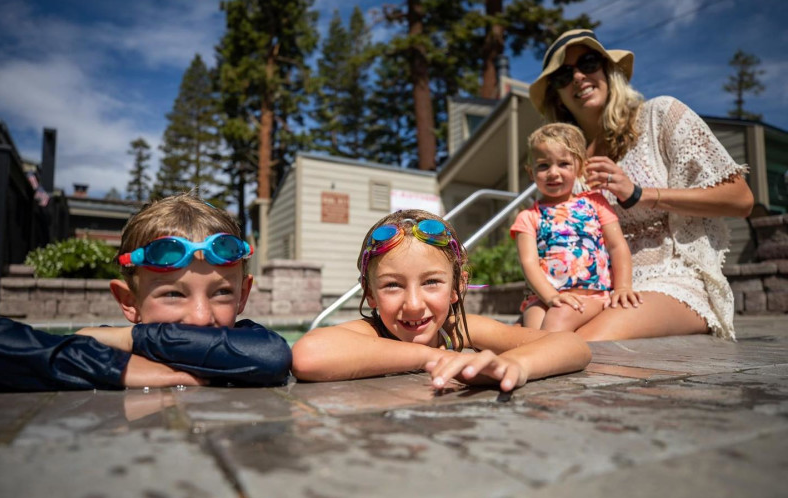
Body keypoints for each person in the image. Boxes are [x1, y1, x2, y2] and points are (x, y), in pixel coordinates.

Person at [527, 29, 754, 341]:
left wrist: (639, 194)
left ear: (608, 70)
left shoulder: (660, 115)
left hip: (669, 278)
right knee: (535, 333)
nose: (578, 77)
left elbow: (741, 199)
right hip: (598, 290)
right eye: (563, 75)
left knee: (581, 344)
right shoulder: (566, 161)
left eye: (589, 62)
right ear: (557, 94)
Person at [0, 193, 291, 392]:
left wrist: (132, 338)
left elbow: (273, 355)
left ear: (243, 294)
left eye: (222, 292)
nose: (201, 317)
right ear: (128, 301)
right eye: (174, 294)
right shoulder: (98, 350)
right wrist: (114, 366)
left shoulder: (246, 342)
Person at [291, 209, 592, 392]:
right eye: (393, 285)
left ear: (456, 288)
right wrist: (434, 358)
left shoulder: (457, 328)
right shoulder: (371, 333)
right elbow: (307, 355)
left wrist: (516, 365)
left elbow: (572, 345)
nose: (413, 304)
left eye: (431, 282)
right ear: (370, 293)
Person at [511, 123, 641, 331]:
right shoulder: (528, 216)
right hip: (544, 296)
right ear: (530, 172)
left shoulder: (595, 203)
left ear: (579, 167)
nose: (553, 173)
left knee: (555, 322)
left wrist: (623, 286)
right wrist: (551, 296)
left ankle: (543, 360)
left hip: (590, 295)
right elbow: (529, 264)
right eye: (543, 166)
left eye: (563, 164)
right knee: (531, 330)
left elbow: (617, 246)